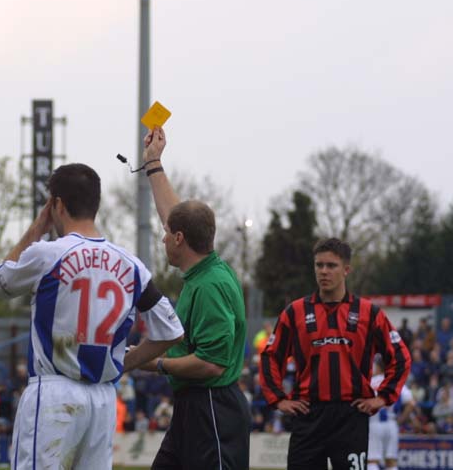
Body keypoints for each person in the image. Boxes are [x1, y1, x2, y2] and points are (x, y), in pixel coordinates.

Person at [0, 163, 184, 470]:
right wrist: (125, 362)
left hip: (54, 393)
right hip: (103, 399)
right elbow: (171, 331)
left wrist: (36, 229)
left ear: (57, 205)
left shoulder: (48, 254)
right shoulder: (132, 265)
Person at [131, 126, 252, 470]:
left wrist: (150, 362)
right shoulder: (207, 269)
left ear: (180, 239)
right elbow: (174, 214)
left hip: (212, 408)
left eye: (168, 234)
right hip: (195, 407)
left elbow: (211, 364)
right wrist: (154, 163)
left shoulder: (209, 286)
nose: (163, 238)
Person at [260, 238, 412, 470]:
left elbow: (400, 357)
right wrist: (278, 399)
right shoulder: (295, 312)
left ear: (346, 270)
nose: (323, 271)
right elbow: (271, 357)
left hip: (351, 415)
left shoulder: (369, 313)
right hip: (308, 414)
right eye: (319, 265)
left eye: (331, 266)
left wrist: (382, 397)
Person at [368, 358, 415, 470]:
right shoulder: (394, 382)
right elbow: (411, 403)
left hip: (374, 424)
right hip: (392, 424)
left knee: (372, 461)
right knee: (391, 462)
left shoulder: (370, 382)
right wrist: (400, 420)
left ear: (378, 367)